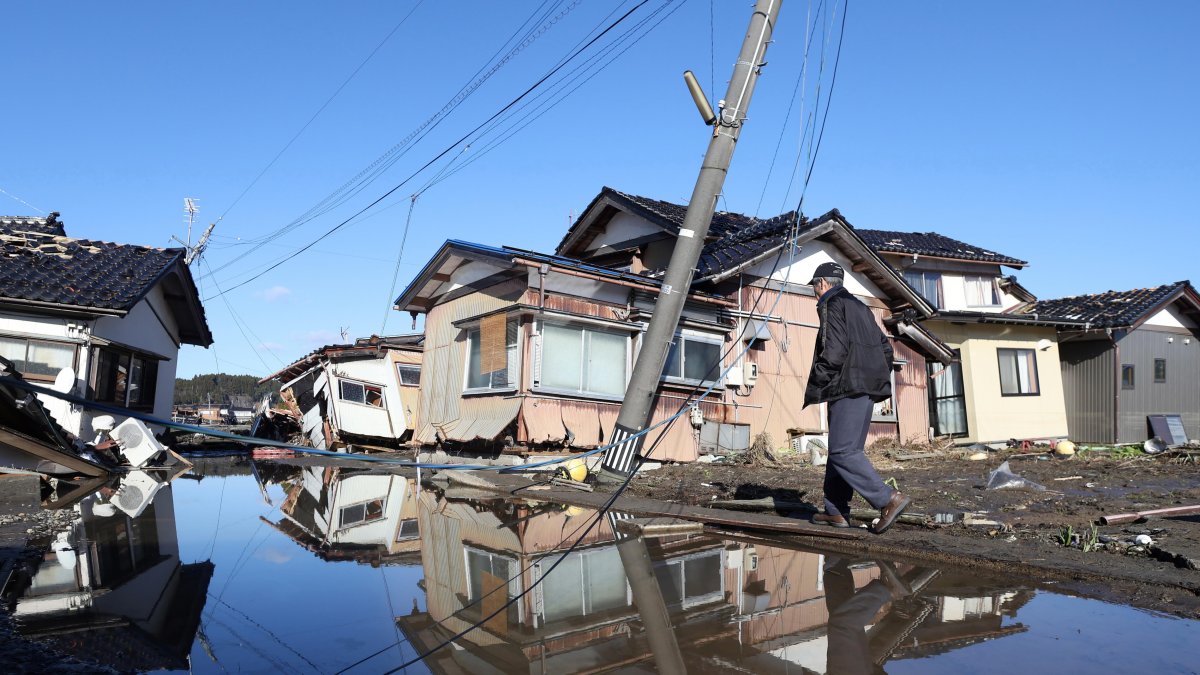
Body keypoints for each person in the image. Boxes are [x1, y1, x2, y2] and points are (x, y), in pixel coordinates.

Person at [803, 262, 910, 533]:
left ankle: (888, 499)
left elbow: (834, 351)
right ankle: (836, 511)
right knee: (843, 449)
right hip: (866, 388)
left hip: (846, 386)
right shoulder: (861, 307)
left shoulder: (831, 304)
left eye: (814, 286)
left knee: (843, 451)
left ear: (822, 283)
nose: (814, 292)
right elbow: (886, 349)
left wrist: (819, 378)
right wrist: (873, 375)